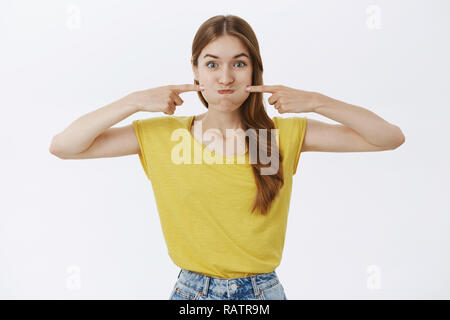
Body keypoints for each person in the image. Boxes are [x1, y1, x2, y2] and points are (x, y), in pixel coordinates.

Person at [49, 15, 405, 300]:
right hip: (192, 295)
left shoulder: (277, 136)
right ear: (195, 70)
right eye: (212, 63)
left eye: (238, 64)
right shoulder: (163, 135)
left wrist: (316, 101)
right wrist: (134, 101)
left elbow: (389, 137)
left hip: (262, 294)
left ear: (254, 70)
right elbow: (64, 146)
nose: (224, 77)